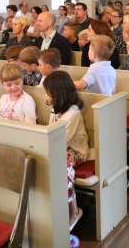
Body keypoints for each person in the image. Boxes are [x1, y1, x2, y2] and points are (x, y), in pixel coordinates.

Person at [43, 71, 89, 230]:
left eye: (48, 93)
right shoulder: (58, 107)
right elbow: (51, 131)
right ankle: (51, 212)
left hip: (76, 152)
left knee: (61, 169)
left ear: (58, 94)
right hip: (59, 147)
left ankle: (73, 211)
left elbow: (61, 140)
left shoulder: (73, 113)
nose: (46, 97)